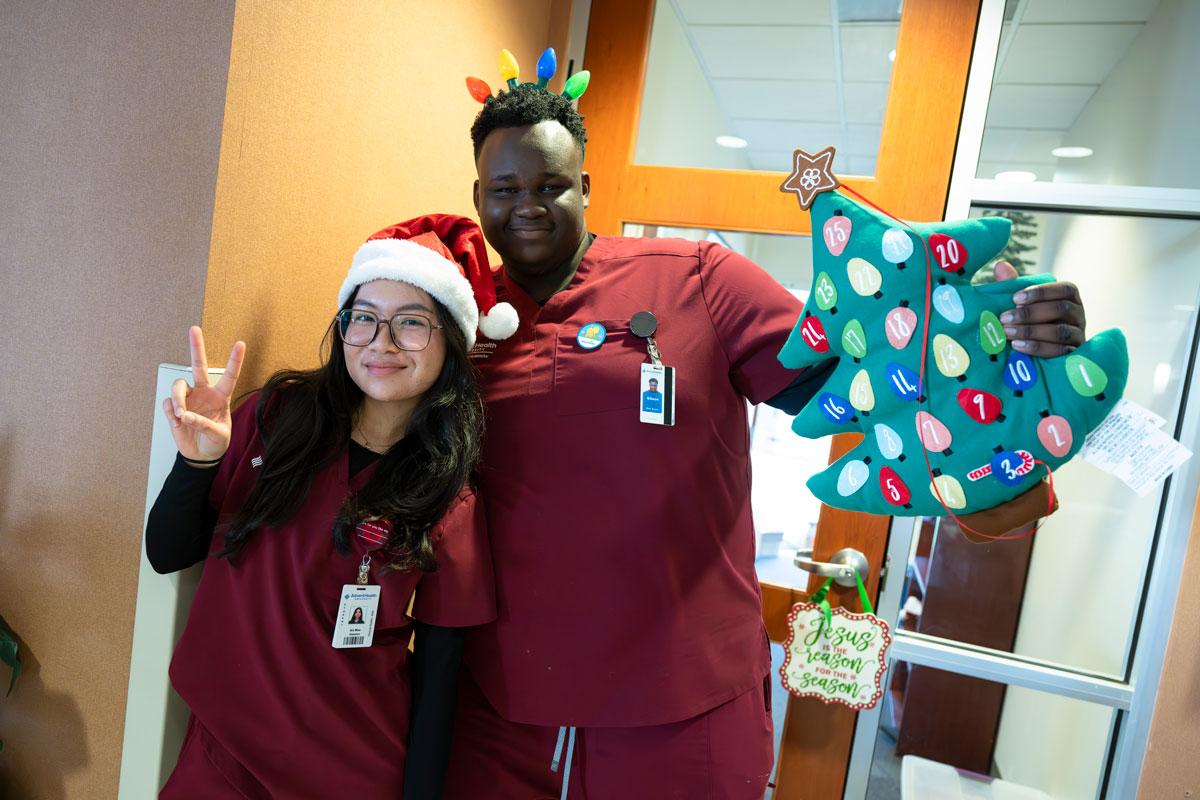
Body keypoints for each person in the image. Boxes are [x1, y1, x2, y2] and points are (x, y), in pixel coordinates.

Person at [443, 76, 1090, 800]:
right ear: (477, 197)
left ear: (587, 185)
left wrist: (1016, 366)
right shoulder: (455, 319)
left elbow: (883, 391)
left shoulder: (696, 281)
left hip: (681, 707)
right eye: (504, 189)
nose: (527, 206)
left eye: (551, 184)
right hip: (501, 707)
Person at [146, 215, 508, 798]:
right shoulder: (277, 419)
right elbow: (167, 554)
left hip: (353, 770)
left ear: (452, 341)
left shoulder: (451, 496)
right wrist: (198, 463)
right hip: (222, 754)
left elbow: (440, 678)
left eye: (412, 324)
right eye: (363, 319)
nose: (381, 343)